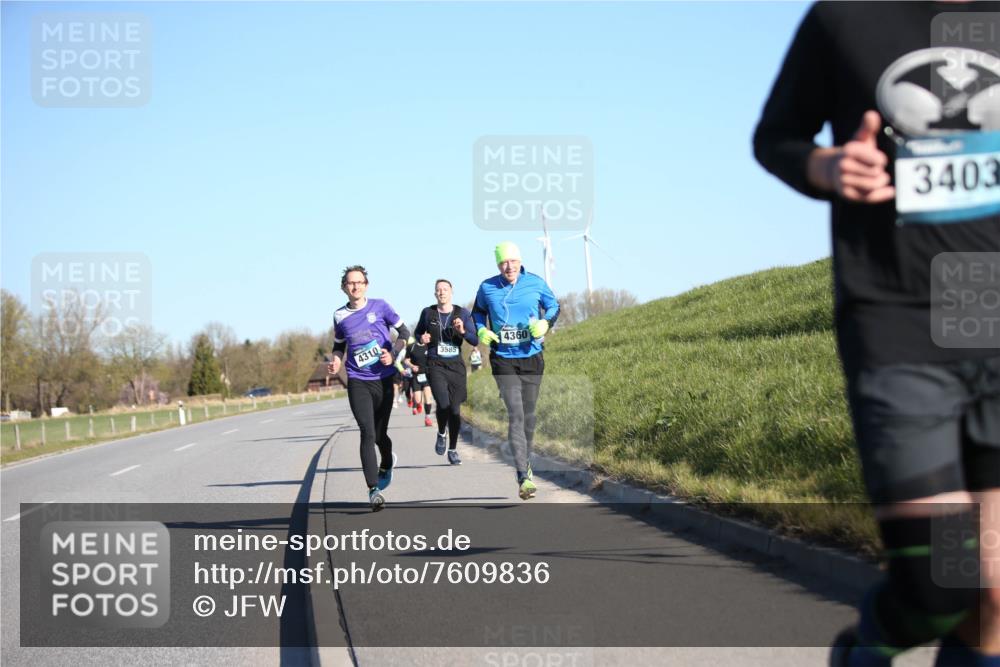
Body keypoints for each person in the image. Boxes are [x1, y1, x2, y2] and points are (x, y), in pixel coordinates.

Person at [754, 3, 999, 665]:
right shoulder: (844, 18)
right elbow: (775, 136)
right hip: (901, 326)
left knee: (995, 593)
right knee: (944, 583)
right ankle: (864, 650)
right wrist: (825, 167)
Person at [473, 242, 559, 500]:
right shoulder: (487, 287)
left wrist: (545, 323)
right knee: (516, 413)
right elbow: (477, 312)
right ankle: (523, 475)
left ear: (520, 261)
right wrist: (481, 330)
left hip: (532, 357)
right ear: (497, 265)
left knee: (529, 416)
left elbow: (554, 306)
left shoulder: (535, 283)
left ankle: (525, 460)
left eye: (512, 261)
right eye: (503, 263)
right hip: (503, 359)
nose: (508, 266)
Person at [327, 265, 410, 511]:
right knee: (367, 432)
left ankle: (387, 462)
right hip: (358, 380)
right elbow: (339, 345)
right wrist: (336, 360)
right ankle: (373, 489)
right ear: (344, 288)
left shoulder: (381, 306)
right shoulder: (340, 316)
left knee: (380, 434)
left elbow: (405, 332)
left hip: (384, 379)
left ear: (366, 284)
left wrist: (393, 353)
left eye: (360, 282)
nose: (355, 286)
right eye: (351, 283)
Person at [414, 279, 480, 464]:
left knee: (455, 409)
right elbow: (417, 333)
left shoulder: (462, 313)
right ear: (435, 294)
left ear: (451, 292)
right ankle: (441, 432)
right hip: (435, 364)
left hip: (456, 366)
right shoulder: (428, 313)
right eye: (438, 290)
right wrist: (422, 338)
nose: (442, 292)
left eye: (445, 289)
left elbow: (475, 340)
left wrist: (462, 331)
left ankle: (452, 449)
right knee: (443, 404)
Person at [405, 336, 434, 426]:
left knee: (428, 397)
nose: (427, 338)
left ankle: (427, 418)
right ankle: (418, 404)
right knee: (418, 399)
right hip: (416, 375)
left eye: (429, 336)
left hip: (427, 375)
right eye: (425, 336)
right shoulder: (412, 347)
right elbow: (406, 360)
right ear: (420, 336)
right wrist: (412, 366)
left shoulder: (430, 346)